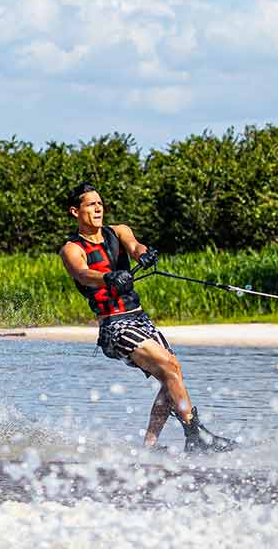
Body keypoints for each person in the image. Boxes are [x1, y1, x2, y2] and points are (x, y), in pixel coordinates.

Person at [57, 182, 233, 453]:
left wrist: (144, 255)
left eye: (100, 203)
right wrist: (108, 277)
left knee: (171, 374)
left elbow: (135, 246)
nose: (98, 208)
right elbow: (82, 273)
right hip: (114, 327)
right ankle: (196, 436)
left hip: (140, 319)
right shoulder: (72, 248)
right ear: (74, 211)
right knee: (170, 366)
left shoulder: (119, 231)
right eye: (91, 204)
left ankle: (149, 447)